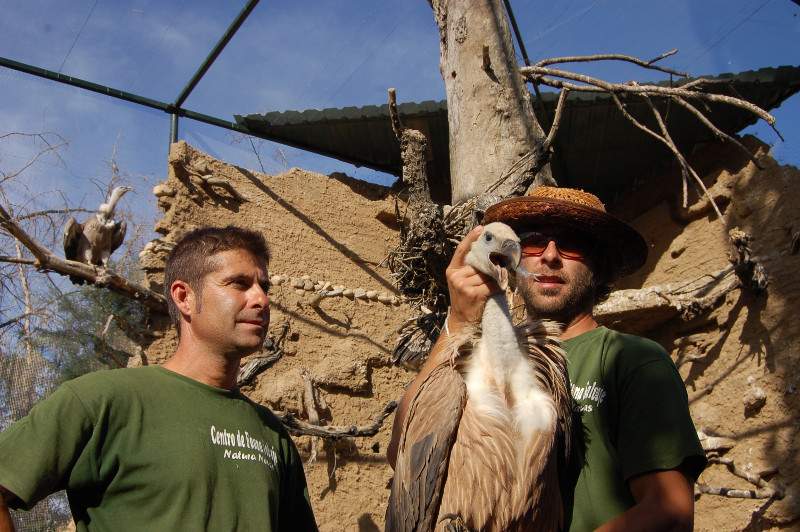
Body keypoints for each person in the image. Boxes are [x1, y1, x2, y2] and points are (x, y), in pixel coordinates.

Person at [388, 187, 707, 531]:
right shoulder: (477, 359)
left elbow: (670, 511)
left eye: (572, 243)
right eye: (535, 241)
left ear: (599, 268)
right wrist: (458, 321)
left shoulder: (630, 360)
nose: (550, 256)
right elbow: (403, 455)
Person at [0, 226, 318, 532]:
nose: (261, 299)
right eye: (239, 283)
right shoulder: (102, 401)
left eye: (264, 287)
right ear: (184, 298)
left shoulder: (271, 434)